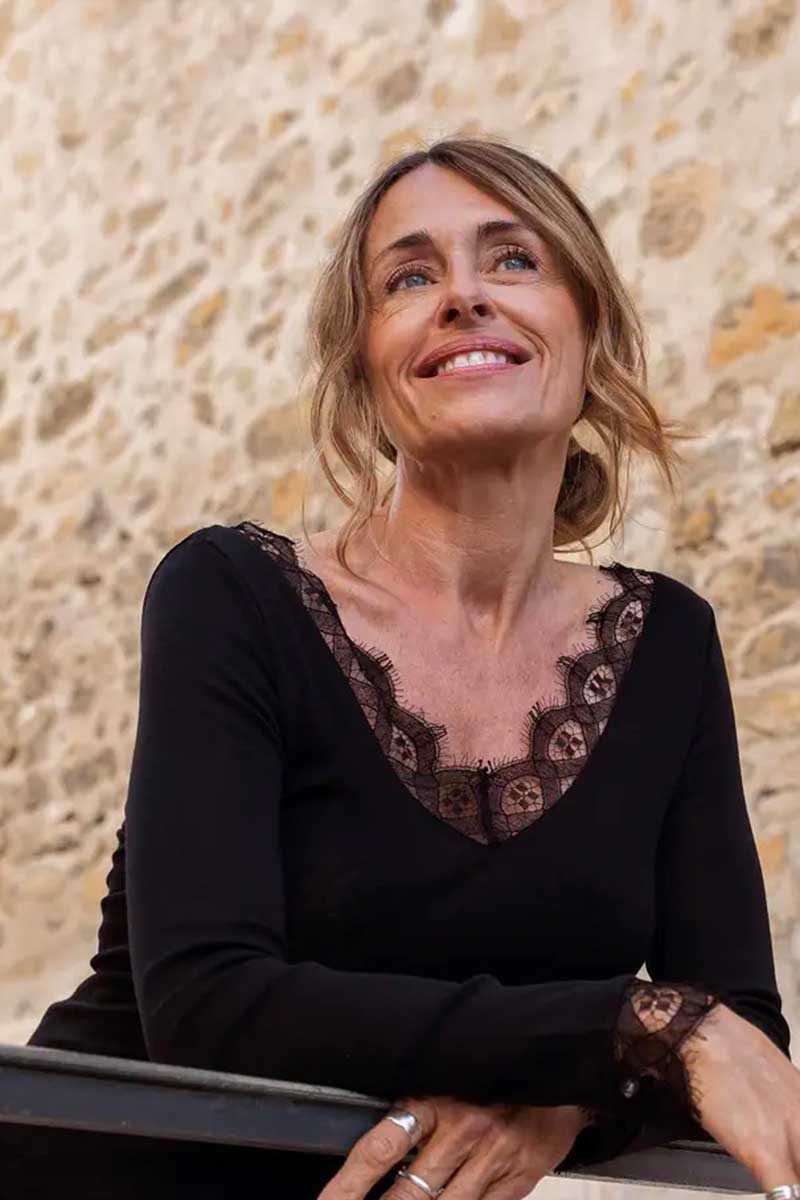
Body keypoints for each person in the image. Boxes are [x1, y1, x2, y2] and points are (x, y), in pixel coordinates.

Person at [4, 135, 799, 1199]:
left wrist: (563, 1102)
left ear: (591, 338)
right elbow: (210, 1002)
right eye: (409, 278)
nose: (463, 295)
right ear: (366, 373)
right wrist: (625, 1030)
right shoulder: (229, 594)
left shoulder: (669, 645)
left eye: (512, 260)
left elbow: (737, 1032)